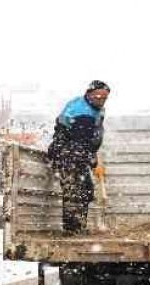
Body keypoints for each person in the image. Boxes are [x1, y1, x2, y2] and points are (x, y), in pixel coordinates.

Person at [47, 80, 110, 234]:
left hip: (78, 153)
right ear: (89, 94)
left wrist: (93, 159)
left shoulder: (93, 108)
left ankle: (79, 226)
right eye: (98, 96)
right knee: (74, 191)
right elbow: (80, 143)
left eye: (104, 97)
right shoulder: (82, 112)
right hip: (67, 154)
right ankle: (72, 230)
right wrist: (94, 163)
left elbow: (88, 142)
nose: (101, 99)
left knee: (86, 190)